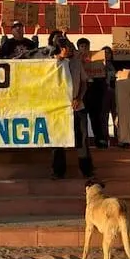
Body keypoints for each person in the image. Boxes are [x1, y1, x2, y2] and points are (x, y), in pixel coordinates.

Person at [51, 38, 95, 179]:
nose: (68, 49)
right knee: (58, 140)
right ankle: (58, 171)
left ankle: (86, 170)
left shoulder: (76, 62)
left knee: (82, 138)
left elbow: (84, 82)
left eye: (69, 47)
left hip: (77, 105)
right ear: (60, 49)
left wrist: (79, 98)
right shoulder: (51, 64)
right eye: (65, 47)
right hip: (58, 109)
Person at [76, 38, 112, 148]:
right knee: (81, 119)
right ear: (78, 48)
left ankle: (99, 140)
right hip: (81, 91)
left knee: (95, 116)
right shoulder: (75, 60)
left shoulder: (97, 58)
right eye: (81, 46)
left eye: (86, 46)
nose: (84, 49)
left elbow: (103, 75)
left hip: (94, 89)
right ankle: (81, 142)